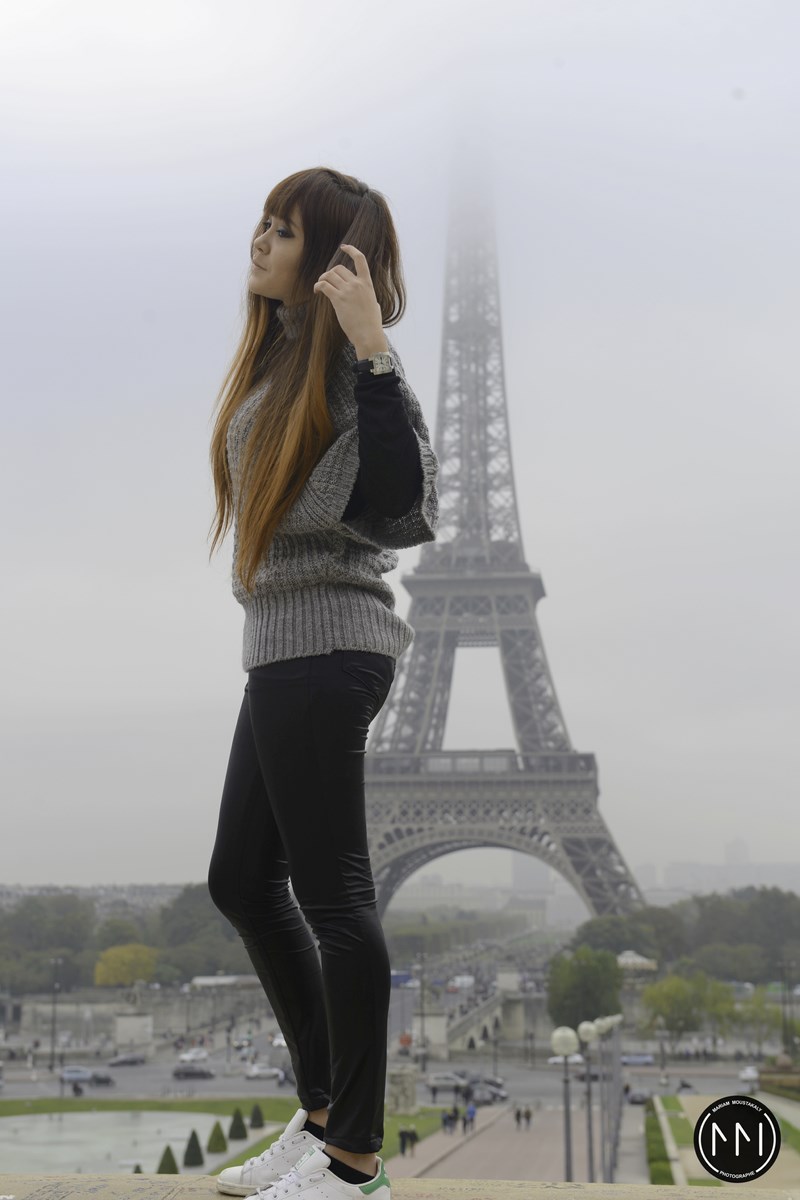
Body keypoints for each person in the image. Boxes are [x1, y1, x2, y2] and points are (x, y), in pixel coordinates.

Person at [208, 167, 439, 1200]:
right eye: (262, 222)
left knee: (334, 896)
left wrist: (372, 342)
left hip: (328, 645)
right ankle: (321, 1117)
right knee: (241, 880)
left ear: (334, 257)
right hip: (281, 646)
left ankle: (352, 1161)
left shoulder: (350, 363)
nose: (261, 240)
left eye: (285, 229)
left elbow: (402, 495)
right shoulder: (280, 359)